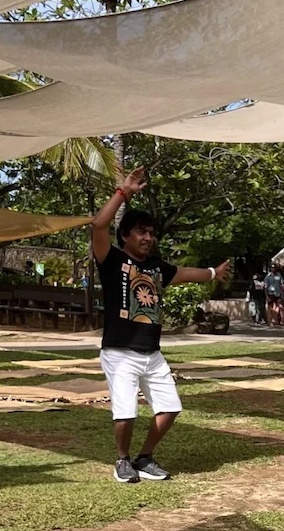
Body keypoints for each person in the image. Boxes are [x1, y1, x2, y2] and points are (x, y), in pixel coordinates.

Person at [93, 167, 230, 483]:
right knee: (125, 413)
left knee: (170, 408)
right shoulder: (112, 260)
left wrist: (212, 273)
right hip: (119, 351)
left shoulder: (156, 266)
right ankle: (123, 461)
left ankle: (144, 458)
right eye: (141, 231)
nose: (148, 237)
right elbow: (99, 224)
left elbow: (182, 273)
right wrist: (123, 192)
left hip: (151, 353)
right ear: (125, 236)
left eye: (151, 233)